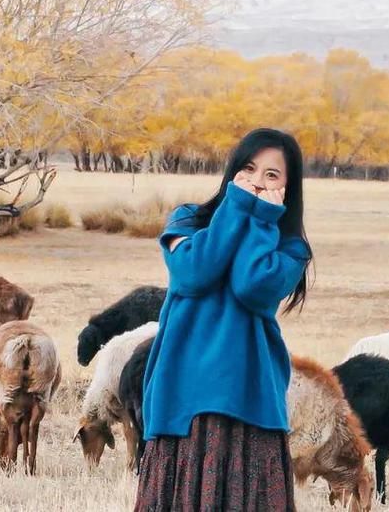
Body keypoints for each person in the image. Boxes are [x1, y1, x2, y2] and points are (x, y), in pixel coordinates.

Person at [135, 128, 312, 512]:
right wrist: (235, 209)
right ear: (232, 172)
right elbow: (195, 274)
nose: (257, 181)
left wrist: (263, 221)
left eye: (271, 175)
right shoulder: (188, 221)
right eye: (249, 169)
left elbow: (252, 286)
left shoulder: (291, 249)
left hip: (249, 394)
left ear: (288, 186)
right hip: (182, 389)